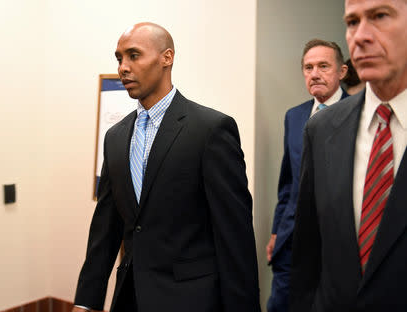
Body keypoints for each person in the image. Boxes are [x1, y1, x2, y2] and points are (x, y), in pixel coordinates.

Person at [72, 22, 261, 312]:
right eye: (119, 58)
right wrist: (86, 301)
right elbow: (106, 228)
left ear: (167, 58)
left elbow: (234, 236)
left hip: (192, 299)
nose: (123, 67)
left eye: (133, 55)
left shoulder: (210, 130)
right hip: (130, 297)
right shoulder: (116, 137)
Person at [290, 0, 407, 311]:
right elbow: (307, 253)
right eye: (352, 22)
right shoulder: (322, 129)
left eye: (380, 16)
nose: (361, 36)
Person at [266, 39, 348, 312]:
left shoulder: (360, 114)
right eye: (308, 67)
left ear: (342, 72)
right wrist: (277, 231)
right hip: (291, 240)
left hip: (338, 243)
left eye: (323, 66)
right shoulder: (295, 116)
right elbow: (287, 182)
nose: (314, 74)